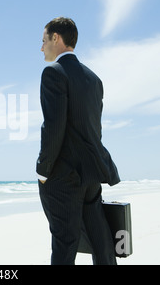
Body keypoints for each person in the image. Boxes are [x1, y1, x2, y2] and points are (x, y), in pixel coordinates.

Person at [36, 17, 120, 265]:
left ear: (55, 38)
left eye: (43, 41)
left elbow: (53, 127)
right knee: (100, 241)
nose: (41, 47)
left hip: (63, 176)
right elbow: (95, 129)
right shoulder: (94, 79)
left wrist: (43, 170)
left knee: (65, 242)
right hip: (91, 174)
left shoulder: (53, 73)